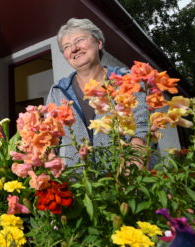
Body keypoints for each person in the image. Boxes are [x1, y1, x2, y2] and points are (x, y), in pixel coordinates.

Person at [46, 18, 148, 167]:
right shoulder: (58, 91)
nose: (74, 49)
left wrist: (133, 168)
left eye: (79, 40)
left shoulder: (126, 80)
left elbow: (141, 127)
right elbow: (50, 136)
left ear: (99, 43)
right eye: (67, 46)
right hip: (80, 183)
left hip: (125, 178)